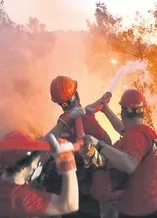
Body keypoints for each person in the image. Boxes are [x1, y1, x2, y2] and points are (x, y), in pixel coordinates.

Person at [82, 88, 157, 218]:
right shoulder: (146, 131)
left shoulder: (135, 137)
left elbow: (130, 165)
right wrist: (106, 110)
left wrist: (99, 144)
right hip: (151, 200)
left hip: (136, 209)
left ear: (124, 111)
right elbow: (122, 128)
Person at [41, 76, 112, 218]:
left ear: (59, 103)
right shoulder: (84, 119)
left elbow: (49, 140)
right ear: (77, 94)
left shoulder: (63, 121)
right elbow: (107, 142)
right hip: (85, 184)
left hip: (66, 181)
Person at [0, 131, 79, 218]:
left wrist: (66, 119)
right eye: (35, 163)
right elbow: (69, 205)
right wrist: (67, 160)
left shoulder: (2, 174)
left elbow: (31, 153)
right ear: (24, 167)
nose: (37, 165)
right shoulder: (21, 198)